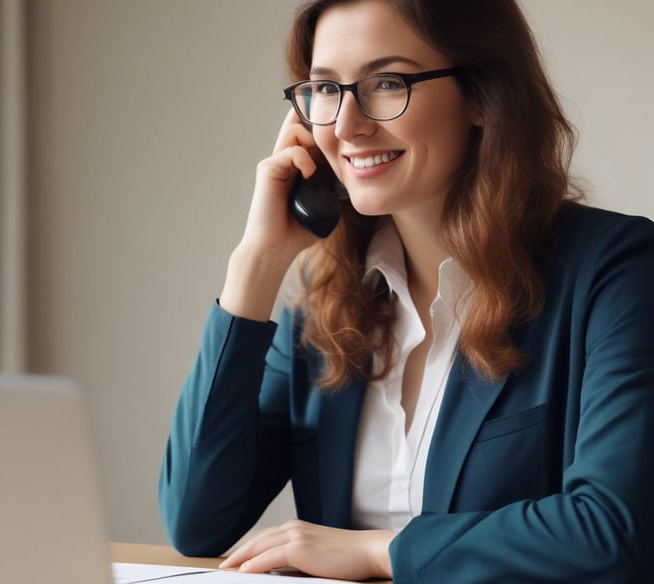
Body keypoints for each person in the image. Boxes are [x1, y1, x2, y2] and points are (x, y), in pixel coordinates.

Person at [158, 0, 654, 581]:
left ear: (481, 95)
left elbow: (614, 530)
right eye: (325, 89)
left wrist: (378, 551)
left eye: (386, 83)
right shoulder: (323, 311)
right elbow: (197, 523)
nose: (345, 125)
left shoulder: (616, 270)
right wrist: (256, 265)